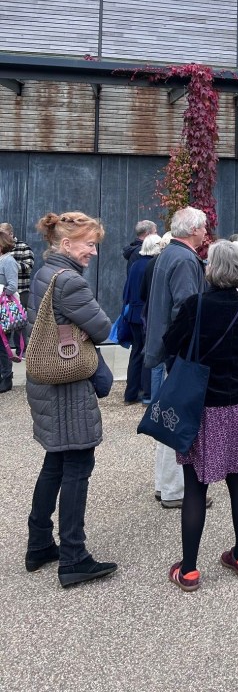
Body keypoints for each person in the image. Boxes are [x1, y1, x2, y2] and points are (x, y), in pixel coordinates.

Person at [25, 211, 116, 587]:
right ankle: (74, 557)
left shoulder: (45, 273)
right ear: (66, 244)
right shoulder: (70, 283)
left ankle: (40, 543)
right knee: (77, 466)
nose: (93, 252)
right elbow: (102, 327)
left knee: (55, 464)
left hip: (46, 385)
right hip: (68, 388)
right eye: (89, 244)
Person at [162, 241, 238, 592]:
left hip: (201, 403)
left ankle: (189, 570)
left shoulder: (195, 305)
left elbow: (170, 343)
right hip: (236, 400)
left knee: (195, 485)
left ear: (211, 269)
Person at [143, 207, 208, 509]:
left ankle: (165, 484)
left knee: (169, 413)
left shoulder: (169, 254)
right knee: (178, 417)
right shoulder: (183, 258)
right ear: (193, 229)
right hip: (182, 351)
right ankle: (174, 489)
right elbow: (186, 309)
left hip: (171, 348)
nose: (206, 232)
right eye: (204, 227)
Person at [122, 232, 163, 404]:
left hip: (132, 313)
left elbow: (127, 291)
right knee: (148, 352)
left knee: (136, 353)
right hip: (144, 314)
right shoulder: (153, 265)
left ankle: (131, 393)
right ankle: (147, 392)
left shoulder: (136, 264)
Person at [0, 221, 34, 362]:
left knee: (18, 322)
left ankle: (22, 350)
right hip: (5, 296)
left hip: (19, 291)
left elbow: (29, 265)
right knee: (7, 327)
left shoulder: (23, 247)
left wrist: (12, 267)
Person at [0, 230, 21, 390]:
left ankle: (6, 378)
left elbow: (13, 285)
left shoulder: (8, 261)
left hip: (4, 309)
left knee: (2, 344)